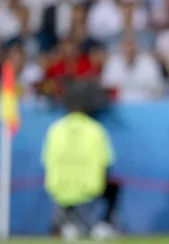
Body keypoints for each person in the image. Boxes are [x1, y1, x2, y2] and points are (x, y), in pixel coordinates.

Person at [42, 80, 117, 241]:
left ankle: (66, 225)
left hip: (58, 189)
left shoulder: (55, 129)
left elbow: (46, 161)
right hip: (90, 190)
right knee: (114, 189)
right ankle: (102, 224)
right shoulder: (95, 129)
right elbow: (106, 163)